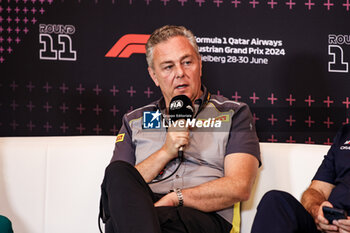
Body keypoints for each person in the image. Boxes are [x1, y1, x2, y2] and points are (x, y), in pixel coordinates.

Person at [100, 25, 261, 233]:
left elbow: (239, 186)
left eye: (187, 62)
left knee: (121, 226)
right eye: (168, 67)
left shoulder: (234, 113)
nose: (180, 73)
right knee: (117, 172)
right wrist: (167, 151)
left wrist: (176, 199)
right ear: (154, 76)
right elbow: (114, 191)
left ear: (200, 65)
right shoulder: (134, 120)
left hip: (201, 215)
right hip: (145, 211)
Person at [251, 124, 350, 233]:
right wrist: (317, 212)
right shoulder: (345, 133)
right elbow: (316, 191)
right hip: (330, 227)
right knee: (275, 200)